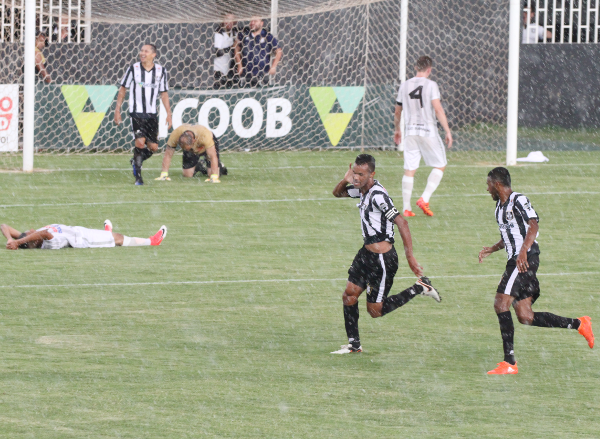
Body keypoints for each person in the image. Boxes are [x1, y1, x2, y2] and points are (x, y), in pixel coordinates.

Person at [478, 167, 594, 375]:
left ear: (496, 184)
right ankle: (579, 324)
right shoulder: (499, 207)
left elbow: (533, 225)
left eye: (488, 185)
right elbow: (511, 235)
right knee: (525, 316)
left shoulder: (518, 200)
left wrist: (522, 253)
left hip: (524, 259)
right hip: (517, 259)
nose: (487, 190)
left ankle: (509, 363)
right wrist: (492, 249)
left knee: (500, 303)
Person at [330, 154, 441, 354]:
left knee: (375, 311)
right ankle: (354, 344)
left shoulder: (378, 196)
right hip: (365, 254)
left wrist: (410, 258)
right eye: (355, 172)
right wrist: (346, 178)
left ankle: (420, 287)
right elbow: (337, 193)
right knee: (349, 295)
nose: (356, 177)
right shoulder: (361, 190)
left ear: (371, 174)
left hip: (382, 260)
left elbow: (402, 222)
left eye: (360, 174)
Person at [394, 56, 452, 217]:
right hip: (428, 132)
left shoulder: (404, 85)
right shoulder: (431, 85)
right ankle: (424, 198)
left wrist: (397, 129)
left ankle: (406, 208)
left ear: (415, 67)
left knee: (409, 169)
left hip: (410, 131)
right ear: (429, 70)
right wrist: (447, 131)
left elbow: (398, 110)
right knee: (440, 165)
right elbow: (438, 109)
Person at [114, 44, 173, 185]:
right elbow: (123, 89)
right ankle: (138, 178)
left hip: (152, 114)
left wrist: (169, 113)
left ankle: (135, 160)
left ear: (154, 55)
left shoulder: (161, 71)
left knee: (153, 147)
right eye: (141, 50)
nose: (142, 53)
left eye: (146, 51)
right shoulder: (133, 69)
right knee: (140, 142)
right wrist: (118, 110)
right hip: (136, 113)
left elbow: (163, 93)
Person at [2, 220, 166, 250]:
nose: (31, 229)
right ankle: (151, 241)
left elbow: (3, 226)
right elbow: (43, 233)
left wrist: (11, 239)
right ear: (34, 241)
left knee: (108, 235)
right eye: (30, 234)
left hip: (78, 230)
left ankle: (105, 233)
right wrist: (19, 242)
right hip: (82, 239)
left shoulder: (30, 237)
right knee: (118, 238)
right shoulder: (47, 241)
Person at [155, 123, 227, 183]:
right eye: (184, 149)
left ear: (194, 141)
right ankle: (199, 165)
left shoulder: (205, 135)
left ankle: (220, 167)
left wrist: (214, 177)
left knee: (212, 174)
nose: (187, 150)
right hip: (191, 144)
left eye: (188, 149)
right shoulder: (176, 134)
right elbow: (168, 155)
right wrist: (163, 174)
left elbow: (212, 156)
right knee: (187, 174)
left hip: (206, 147)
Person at [235, 16, 283, 88]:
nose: (252, 23)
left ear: (262, 23)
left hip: (263, 75)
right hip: (246, 75)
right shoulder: (244, 35)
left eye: (255, 21)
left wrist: (273, 66)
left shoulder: (267, 36)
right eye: (251, 21)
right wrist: (239, 65)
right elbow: (236, 48)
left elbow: (278, 51)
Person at [213, 13, 240, 89]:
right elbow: (217, 52)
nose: (229, 22)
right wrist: (231, 47)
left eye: (232, 20)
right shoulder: (218, 33)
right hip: (217, 71)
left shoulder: (234, 33)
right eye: (227, 19)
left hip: (226, 71)